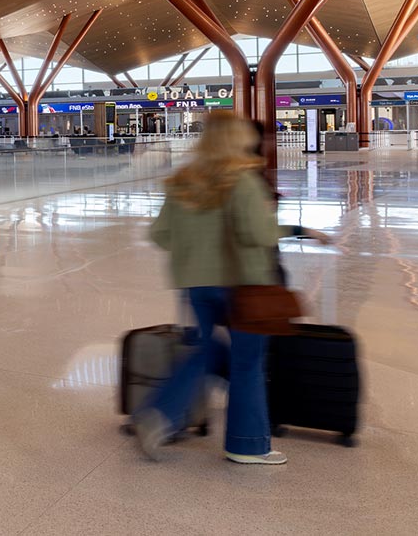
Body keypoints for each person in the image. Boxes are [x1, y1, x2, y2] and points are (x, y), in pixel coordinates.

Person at [133, 111, 327, 466]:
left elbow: (159, 235)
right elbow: (260, 235)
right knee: (247, 363)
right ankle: (247, 445)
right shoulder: (243, 180)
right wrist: (299, 230)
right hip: (243, 286)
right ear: (238, 140)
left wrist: (196, 249)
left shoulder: (181, 181)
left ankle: (160, 413)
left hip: (197, 287)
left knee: (209, 352)